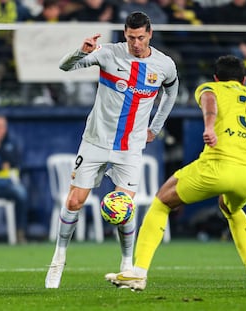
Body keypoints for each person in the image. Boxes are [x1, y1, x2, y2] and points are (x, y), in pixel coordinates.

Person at [105, 55, 246, 296]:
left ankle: (138, 273)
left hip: (219, 166)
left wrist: (210, 127)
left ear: (215, 77)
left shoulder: (210, 87)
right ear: (243, 80)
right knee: (231, 209)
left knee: (162, 201)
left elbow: (210, 102)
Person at [45, 11, 179, 289]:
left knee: (124, 208)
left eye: (141, 37)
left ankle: (126, 264)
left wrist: (156, 127)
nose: (136, 43)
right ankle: (58, 259)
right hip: (95, 141)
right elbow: (63, 67)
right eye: (131, 38)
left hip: (130, 148)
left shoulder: (164, 65)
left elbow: (171, 92)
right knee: (74, 202)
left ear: (150, 34)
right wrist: (79, 52)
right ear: (125, 35)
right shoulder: (108, 54)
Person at [0, 115, 28, 244]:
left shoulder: (11, 144)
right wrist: (2, 165)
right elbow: (4, 165)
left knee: (21, 193)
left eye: (1, 127)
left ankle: (20, 233)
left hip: (7, 185)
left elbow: (15, 162)